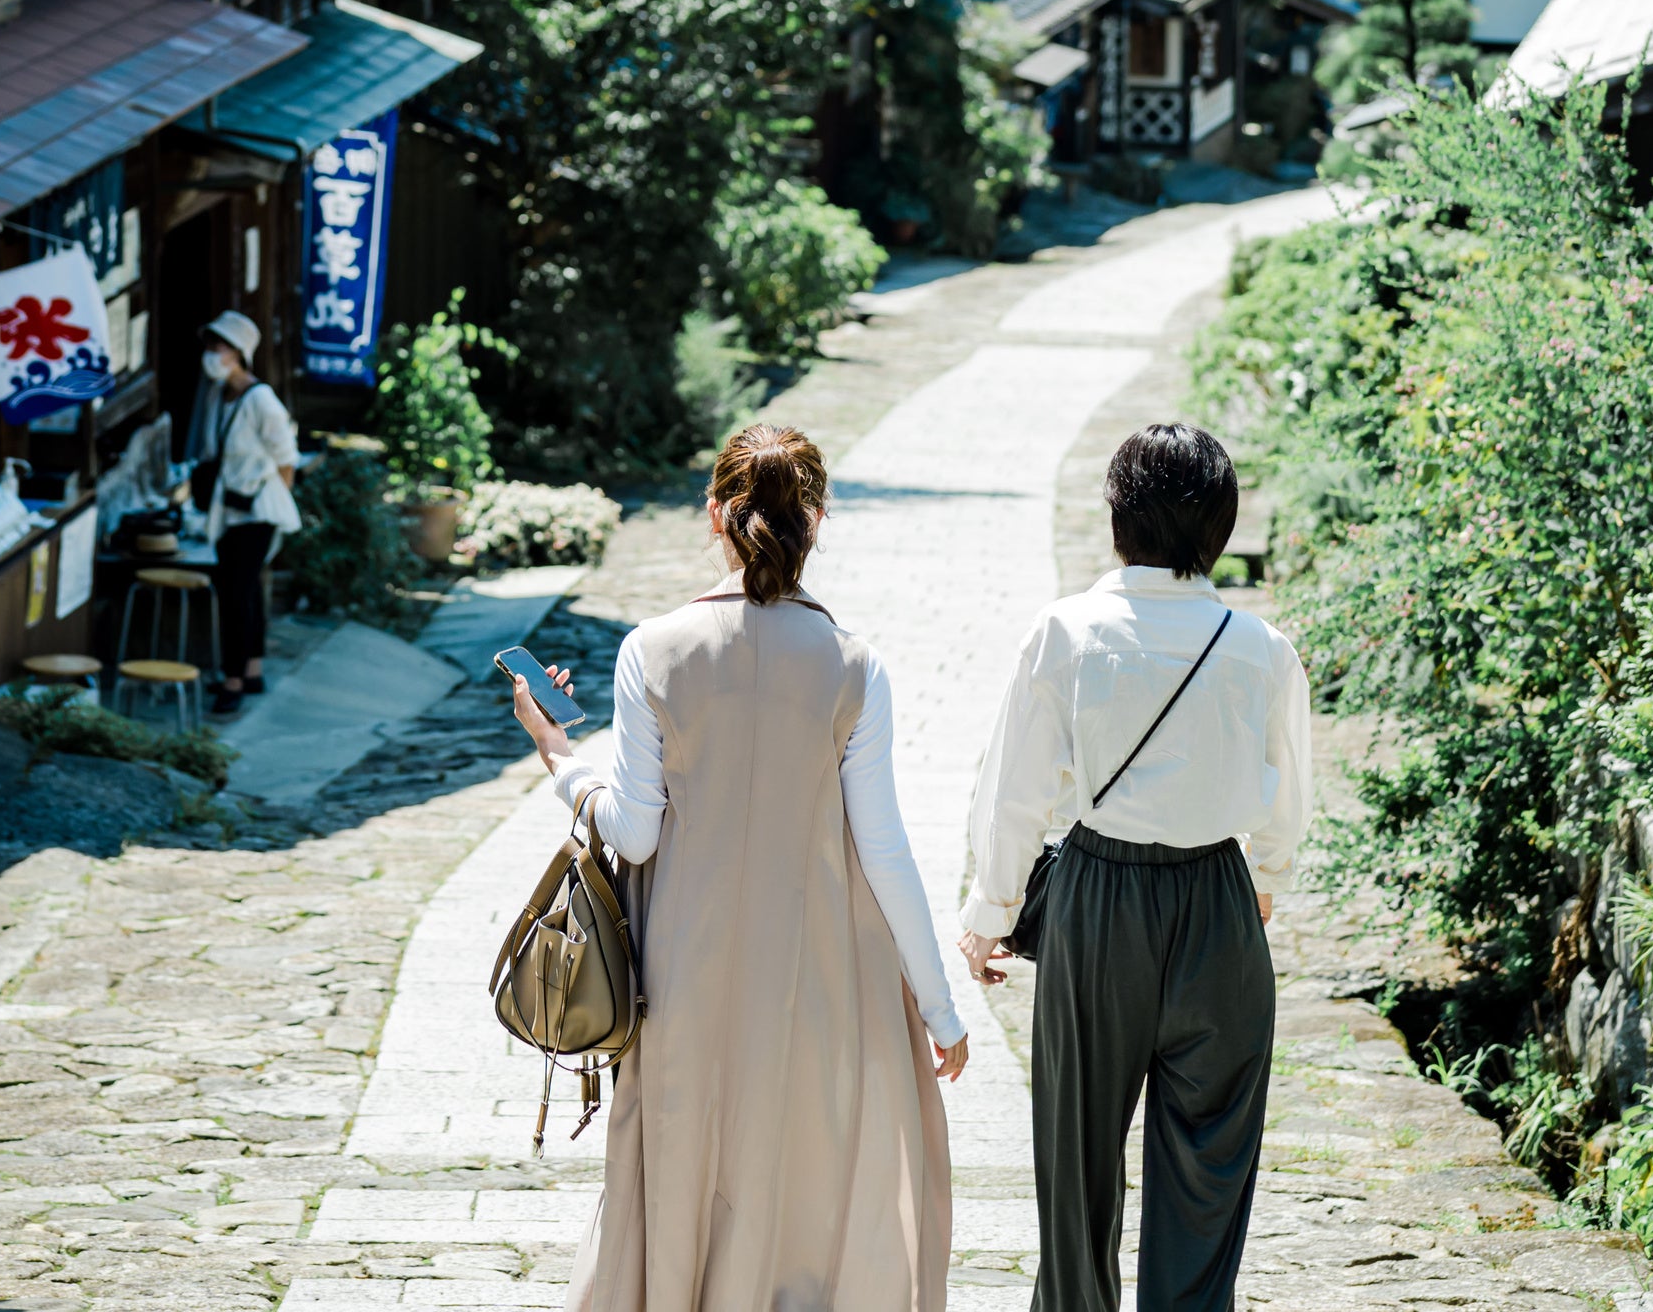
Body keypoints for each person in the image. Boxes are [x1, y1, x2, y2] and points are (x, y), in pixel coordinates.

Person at [507, 421, 968, 1311]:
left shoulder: (653, 650)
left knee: (688, 1171)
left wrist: (562, 760)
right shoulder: (854, 666)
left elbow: (634, 834)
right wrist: (940, 1008)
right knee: (796, 1185)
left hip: (686, 971)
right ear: (817, 522)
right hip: (821, 974)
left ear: (713, 512)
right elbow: (885, 847)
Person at [956, 420, 1312, 1312]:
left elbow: (1013, 795)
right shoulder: (1260, 649)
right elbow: (1287, 805)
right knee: (1210, 1164)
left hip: (1097, 899)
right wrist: (1260, 884)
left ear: (1118, 517)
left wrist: (989, 915)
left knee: (1076, 1163)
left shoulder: (1066, 633)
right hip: (1218, 901)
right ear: (1219, 528)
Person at [193, 310, 301, 713]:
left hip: (258, 511)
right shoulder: (219, 395)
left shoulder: (261, 400)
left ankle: (233, 679)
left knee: (235, 593)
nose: (212, 354)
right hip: (231, 507)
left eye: (219, 346)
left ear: (239, 352)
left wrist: (275, 500)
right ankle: (251, 671)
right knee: (247, 589)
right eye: (211, 345)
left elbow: (286, 459)